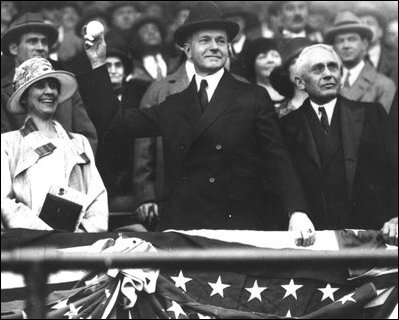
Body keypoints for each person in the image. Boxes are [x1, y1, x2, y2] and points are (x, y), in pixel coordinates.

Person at [78, 1, 316, 246]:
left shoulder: (253, 96)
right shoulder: (174, 103)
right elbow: (117, 123)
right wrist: (98, 63)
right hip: (185, 227)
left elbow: (278, 158)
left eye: (221, 41)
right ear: (188, 50)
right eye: (205, 40)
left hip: (239, 225)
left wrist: (296, 211)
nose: (214, 47)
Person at [278, 44, 397, 245]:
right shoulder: (285, 127)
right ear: (299, 82)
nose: (328, 74)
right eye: (318, 69)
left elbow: (395, 168)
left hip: (371, 238)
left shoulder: (372, 115)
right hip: (315, 241)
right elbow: (283, 179)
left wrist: (396, 216)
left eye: (333, 67)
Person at [1, 57, 108, 232]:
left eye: (53, 86)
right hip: (32, 246)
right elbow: (3, 202)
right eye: (40, 86)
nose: (49, 91)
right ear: (24, 97)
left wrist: (85, 232)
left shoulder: (79, 143)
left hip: (80, 245)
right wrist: (46, 234)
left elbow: (98, 197)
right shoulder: (7, 144)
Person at [1, 12, 98, 154]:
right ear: (14, 48)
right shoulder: (3, 92)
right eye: (32, 41)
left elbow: (88, 137)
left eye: (44, 42)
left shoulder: (66, 87)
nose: (41, 47)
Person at [325, 11, 396, 114]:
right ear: (334, 48)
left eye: (352, 39)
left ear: (364, 44)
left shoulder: (384, 85)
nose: (346, 45)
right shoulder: (325, 82)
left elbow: (382, 127)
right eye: (340, 41)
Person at [354, 3, 398, 87]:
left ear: (380, 32)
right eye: (359, 24)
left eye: (369, 23)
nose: (364, 27)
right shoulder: (343, 61)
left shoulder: (396, 60)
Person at [270, 37, 312, 118]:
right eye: (294, 62)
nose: (300, 66)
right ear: (287, 73)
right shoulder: (279, 114)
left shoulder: (335, 107)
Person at [245, 38, 285, 109]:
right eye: (263, 57)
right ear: (253, 64)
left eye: (275, 55)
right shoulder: (248, 94)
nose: (270, 60)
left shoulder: (293, 89)